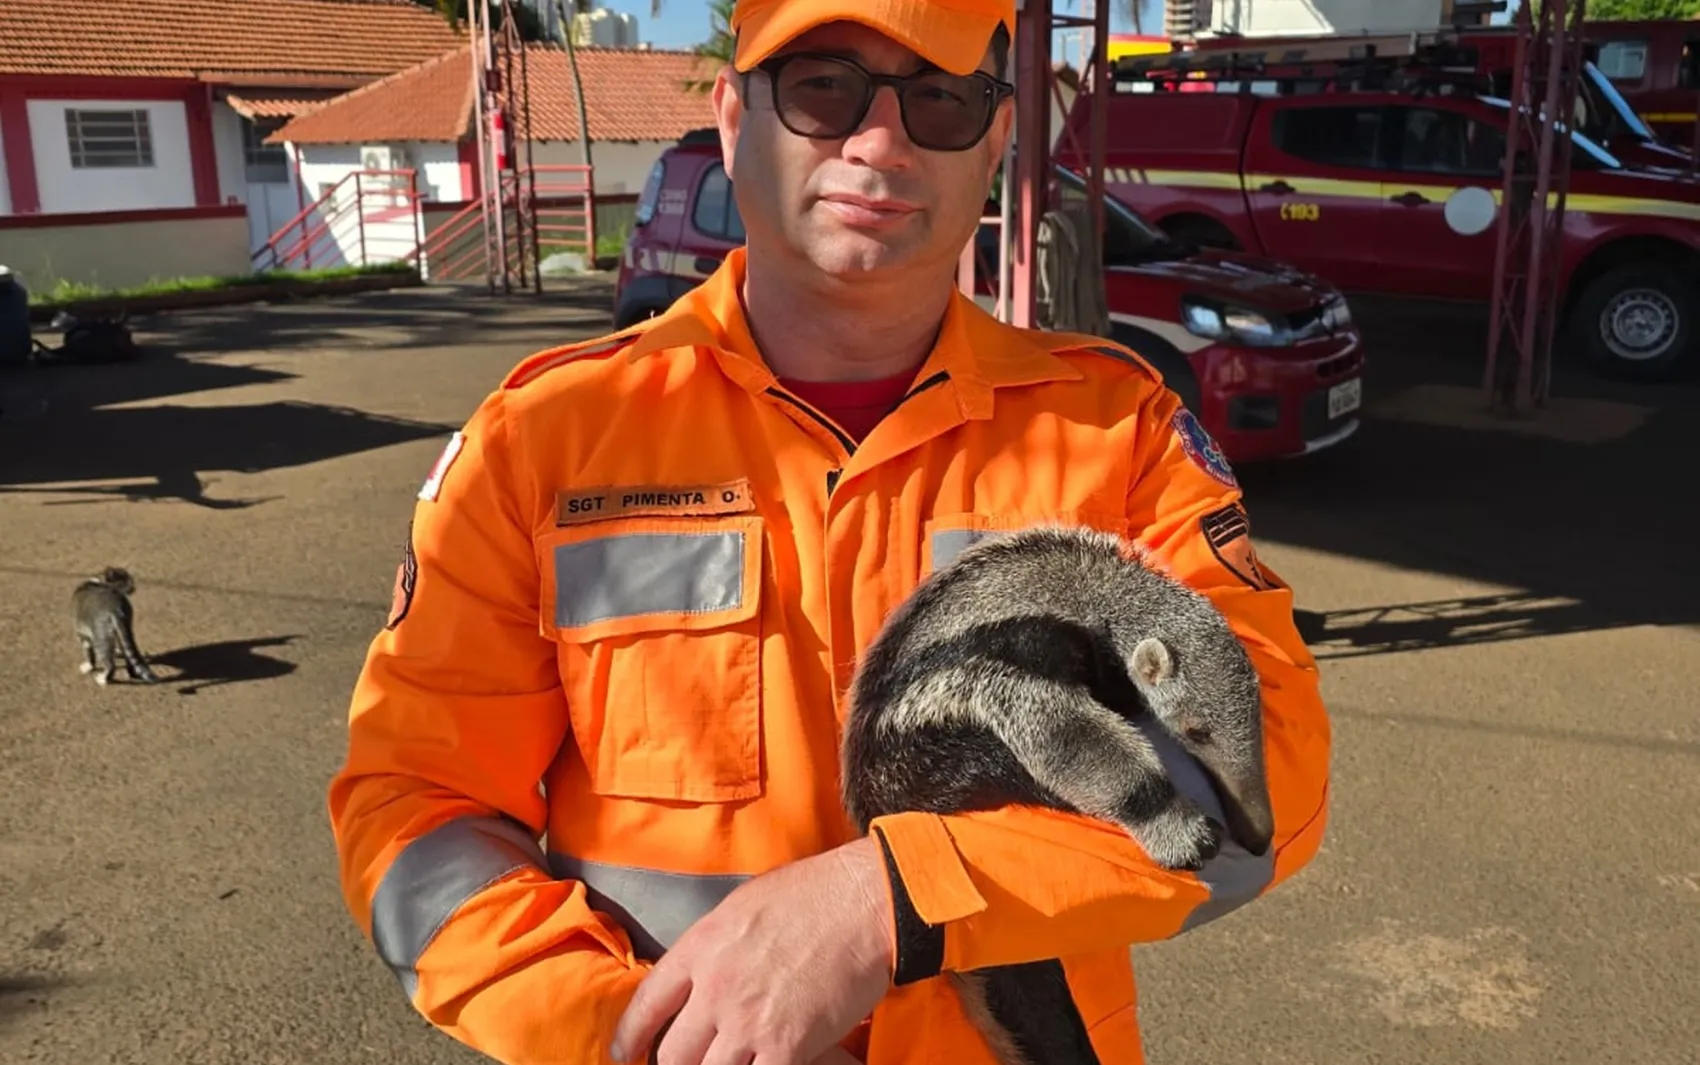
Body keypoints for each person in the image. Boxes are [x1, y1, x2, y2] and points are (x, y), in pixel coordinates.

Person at [325, 0, 1333, 1062]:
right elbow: (413, 811)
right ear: (729, 115)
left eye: (940, 98)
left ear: (994, 141)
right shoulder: (541, 441)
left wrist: (883, 903)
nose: (879, 142)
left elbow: (1265, 788)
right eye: (821, 86)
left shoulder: (1116, 434)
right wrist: (628, 1035)